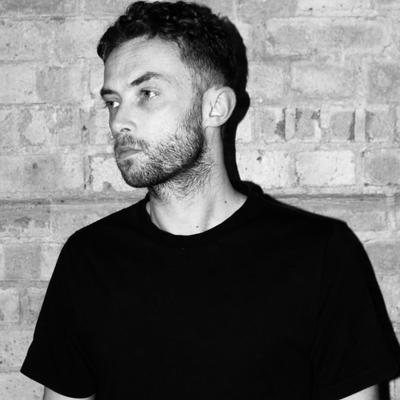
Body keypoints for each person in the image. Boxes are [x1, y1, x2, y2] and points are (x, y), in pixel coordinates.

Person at [20, 1, 400, 399]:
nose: (119, 122)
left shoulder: (320, 255)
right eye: (113, 101)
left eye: (147, 93)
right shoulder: (90, 259)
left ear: (215, 107)